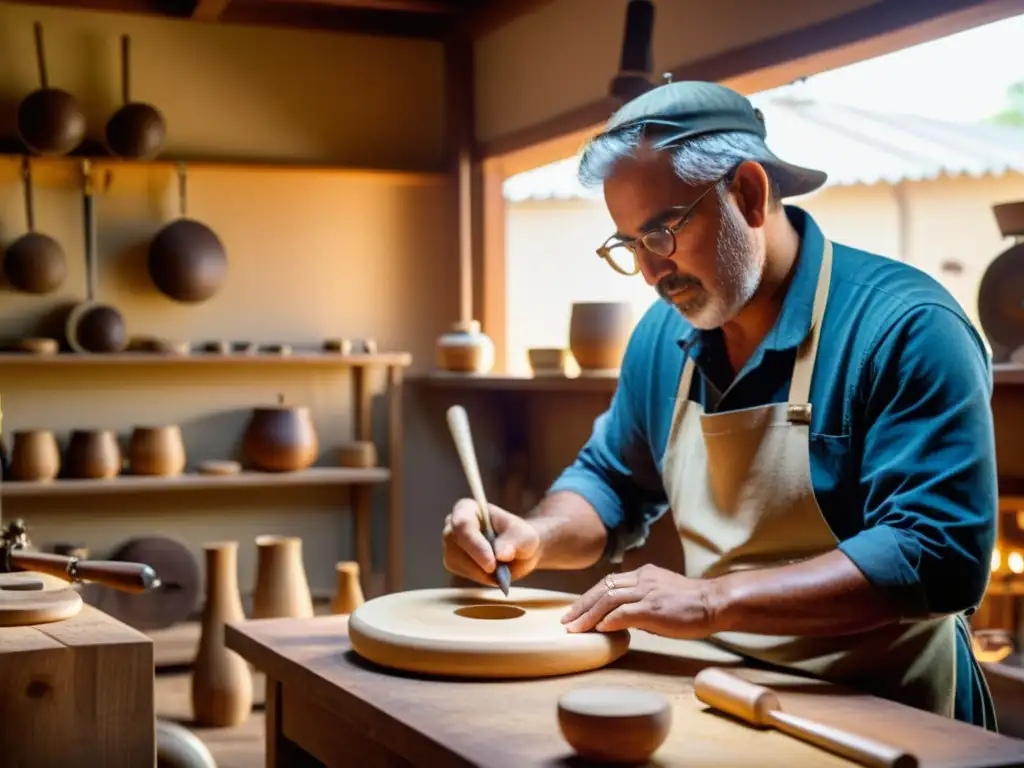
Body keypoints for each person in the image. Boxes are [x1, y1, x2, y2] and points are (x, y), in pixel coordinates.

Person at [441, 80, 998, 729]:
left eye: (664, 231)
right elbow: (612, 480)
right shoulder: (662, 336)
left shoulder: (904, 328)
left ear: (751, 195)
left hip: (894, 707)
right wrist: (536, 536)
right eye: (628, 243)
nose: (651, 272)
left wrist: (712, 601)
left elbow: (937, 555)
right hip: (726, 696)